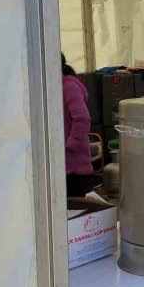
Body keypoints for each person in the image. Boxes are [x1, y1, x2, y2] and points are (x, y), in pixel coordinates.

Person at [62, 54, 96, 197]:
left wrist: (73, 143)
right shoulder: (52, 86)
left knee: (74, 210)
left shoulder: (69, 86)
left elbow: (82, 119)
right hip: (60, 163)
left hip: (74, 165)